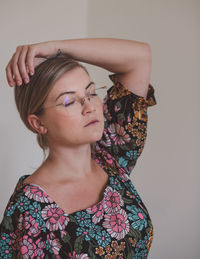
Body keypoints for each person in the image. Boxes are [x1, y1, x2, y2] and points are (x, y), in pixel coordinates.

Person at [0, 38, 157, 258]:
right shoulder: (29, 210)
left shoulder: (111, 156)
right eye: (69, 102)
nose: (89, 107)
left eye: (91, 93)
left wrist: (54, 49)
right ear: (38, 123)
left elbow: (139, 58)